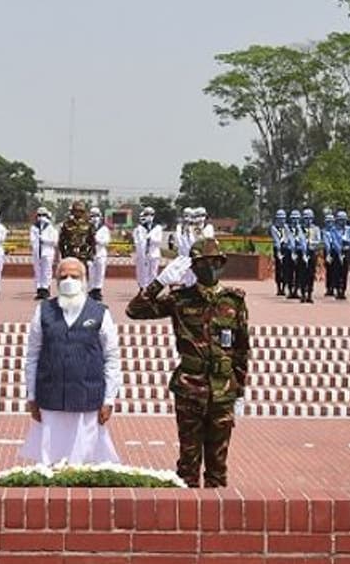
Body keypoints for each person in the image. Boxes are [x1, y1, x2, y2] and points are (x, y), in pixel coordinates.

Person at [126, 238, 248, 488]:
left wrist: (240, 392)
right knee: (187, 466)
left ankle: (216, 521)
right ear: (193, 267)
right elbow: (134, 310)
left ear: (221, 264)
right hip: (190, 388)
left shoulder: (233, 302)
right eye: (203, 263)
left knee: (218, 466)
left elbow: (241, 349)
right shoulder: (180, 299)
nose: (210, 268)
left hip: (223, 390)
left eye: (215, 262)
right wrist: (159, 282)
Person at [20, 257, 122, 466]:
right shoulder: (44, 311)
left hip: (88, 398)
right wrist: (31, 395)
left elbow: (111, 358)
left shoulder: (100, 312)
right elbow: (32, 355)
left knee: (85, 461)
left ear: (84, 280)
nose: (69, 280)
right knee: (51, 460)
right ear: (55, 281)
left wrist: (109, 399)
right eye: (63, 276)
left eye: (74, 276)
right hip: (50, 398)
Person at [29, 207, 58, 300]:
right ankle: (39, 288)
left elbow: (54, 241)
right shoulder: (34, 227)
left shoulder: (51, 227)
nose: (41, 217)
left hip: (47, 251)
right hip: (37, 252)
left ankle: (45, 288)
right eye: (39, 215)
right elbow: (32, 240)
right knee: (38, 271)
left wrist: (44, 239)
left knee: (47, 271)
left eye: (43, 215)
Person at [131, 206, 163, 289]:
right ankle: (143, 288)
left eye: (151, 214)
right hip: (143, 254)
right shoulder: (140, 228)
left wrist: (150, 238)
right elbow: (138, 242)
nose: (149, 216)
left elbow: (158, 241)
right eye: (147, 214)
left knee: (153, 273)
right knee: (143, 273)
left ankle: (151, 290)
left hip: (154, 253)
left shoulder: (157, 228)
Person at [87, 206, 111, 301]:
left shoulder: (104, 228)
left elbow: (106, 241)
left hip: (100, 252)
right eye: (92, 216)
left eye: (96, 216)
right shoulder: (87, 228)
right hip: (90, 253)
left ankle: (98, 289)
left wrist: (97, 240)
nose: (94, 218)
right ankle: (91, 289)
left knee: (100, 272)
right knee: (91, 272)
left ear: (100, 216)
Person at [269, 209, 288, 297]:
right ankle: (279, 288)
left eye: (283, 218)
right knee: (279, 268)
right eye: (280, 218)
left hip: (286, 249)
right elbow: (276, 240)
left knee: (286, 269)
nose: (281, 220)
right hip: (278, 249)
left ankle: (284, 287)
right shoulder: (273, 228)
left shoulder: (287, 228)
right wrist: (279, 251)